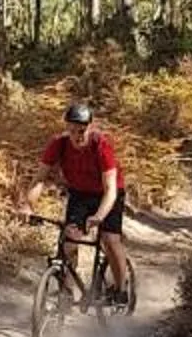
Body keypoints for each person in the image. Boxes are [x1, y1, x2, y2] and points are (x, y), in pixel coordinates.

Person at [32, 101, 130, 298]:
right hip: (79, 193)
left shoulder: (101, 146)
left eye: (82, 130)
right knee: (69, 239)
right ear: (67, 127)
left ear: (90, 127)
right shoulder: (58, 144)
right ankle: (66, 292)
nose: (77, 135)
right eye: (72, 130)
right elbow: (39, 179)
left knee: (110, 240)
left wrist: (99, 216)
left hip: (108, 194)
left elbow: (110, 189)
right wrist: (28, 206)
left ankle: (120, 290)